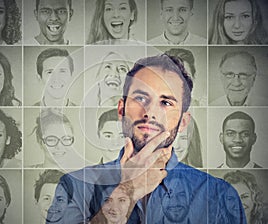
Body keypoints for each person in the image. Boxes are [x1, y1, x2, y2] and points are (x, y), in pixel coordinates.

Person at [54, 53, 246, 223]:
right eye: (140, 98)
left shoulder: (219, 195)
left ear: (183, 121)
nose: (150, 112)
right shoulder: (75, 186)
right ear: (121, 109)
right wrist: (129, 189)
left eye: (165, 102)